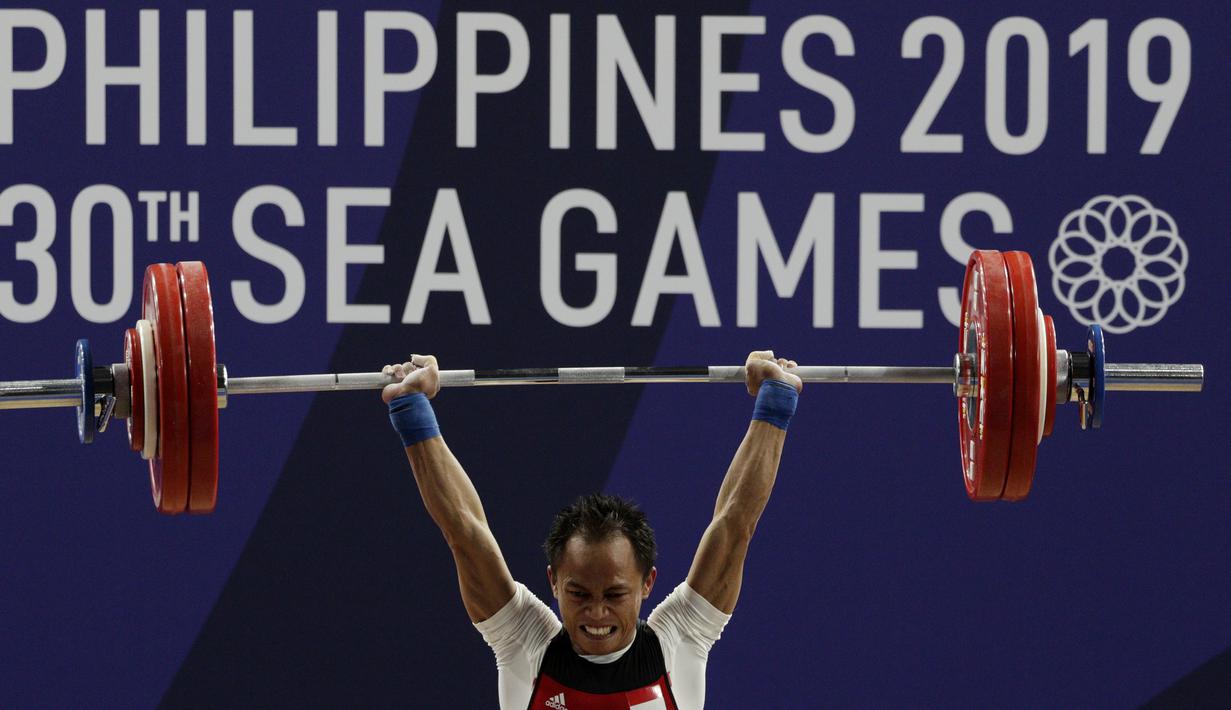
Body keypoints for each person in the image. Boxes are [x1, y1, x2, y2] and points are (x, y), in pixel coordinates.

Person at [381, 351, 802, 709]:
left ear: (647, 584)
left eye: (614, 594)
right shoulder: (529, 647)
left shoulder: (677, 644)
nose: (597, 614)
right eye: (579, 593)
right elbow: (464, 532)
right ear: (554, 582)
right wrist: (412, 408)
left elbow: (735, 524)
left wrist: (775, 402)